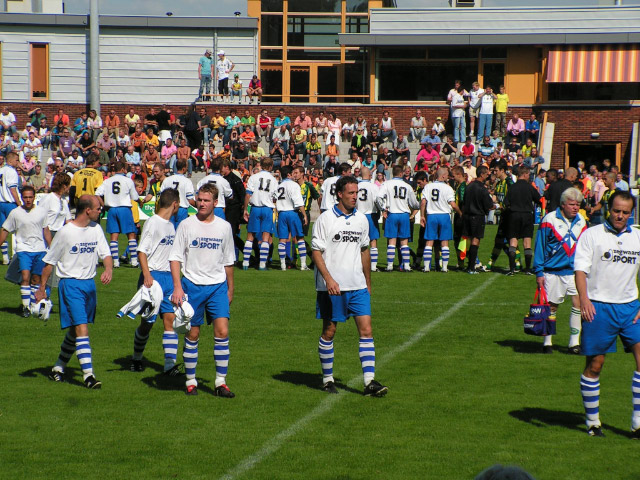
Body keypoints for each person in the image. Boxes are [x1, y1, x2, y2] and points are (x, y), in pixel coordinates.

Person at [311, 175, 388, 397]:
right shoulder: (326, 219)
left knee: (366, 330)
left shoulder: (362, 220)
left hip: (357, 286)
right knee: (329, 331)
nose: (355, 197)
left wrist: (368, 281)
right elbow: (316, 251)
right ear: (340, 194)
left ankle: (369, 381)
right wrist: (328, 279)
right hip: (332, 287)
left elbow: (365, 250)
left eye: (357, 193)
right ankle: (327, 379)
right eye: (351, 193)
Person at [574, 190, 640, 437]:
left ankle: (638, 421)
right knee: (595, 364)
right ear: (608, 209)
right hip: (599, 307)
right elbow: (580, 270)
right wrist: (584, 300)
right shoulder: (592, 235)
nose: (620, 216)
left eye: (625, 212)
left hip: (631, 308)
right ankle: (593, 422)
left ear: (631, 213)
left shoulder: (638, 237)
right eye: (616, 211)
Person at [37, 195, 112, 389]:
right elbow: (49, 262)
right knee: (82, 329)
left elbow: (106, 254)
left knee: (74, 330)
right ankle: (89, 376)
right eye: (98, 209)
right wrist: (42, 288)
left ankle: (58, 367)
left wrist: (109, 269)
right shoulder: (65, 233)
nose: (100, 211)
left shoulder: (96, 229)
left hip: (89, 285)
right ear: (88, 210)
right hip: (71, 285)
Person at [169, 183, 235, 397]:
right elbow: (175, 258)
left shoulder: (224, 227)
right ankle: (190, 381)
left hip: (217, 286)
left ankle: (220, 383)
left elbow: (228, 262)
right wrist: (177, 287)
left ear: (216, 203)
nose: (202, 204)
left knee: (222, 332)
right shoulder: (186, 225)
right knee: (193, 335)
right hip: (191, 286)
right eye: (200, 199)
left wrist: (230, 289)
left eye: (207, 200)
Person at [127, 188, 182, 374]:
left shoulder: (171, 225)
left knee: (170, 320)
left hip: (168, 277)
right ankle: (136, 358)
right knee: (147, 323)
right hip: (153, 277)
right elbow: (141, 251)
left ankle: (169, 366)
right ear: (174, 204)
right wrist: (147, 275)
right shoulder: (153, 222)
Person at [533, 187, 586, 354]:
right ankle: (547, 342)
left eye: (578, 204)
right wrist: (539, 271)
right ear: (563, 205)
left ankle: (574, 343)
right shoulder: (549, 220)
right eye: (572, 204)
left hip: (575, 271)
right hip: (552, 271)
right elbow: (540, 246)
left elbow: (586, 246)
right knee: (552, 306)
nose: (575, 207)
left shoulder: (582, 221)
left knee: (578, 304)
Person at [0, 185, 52, 317]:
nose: (28, 200)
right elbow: (5, 230)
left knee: (36, 279)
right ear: (21, 198)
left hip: (40, 249)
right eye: (25, 197)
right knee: (25, 276)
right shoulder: (15, 213)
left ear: (34, 197)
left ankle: (34, 304)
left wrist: (52, 247)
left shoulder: (41, 212)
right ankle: (25, 307)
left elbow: (46, 230)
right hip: (23, 250)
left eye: (30, 197)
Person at [95, 161, 140, 269]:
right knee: (131, 234)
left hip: (112, 209)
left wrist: (104, 205)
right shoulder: (128, 181)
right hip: (124, 208)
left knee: (114, 237)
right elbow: (134, 197)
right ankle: (134, 261)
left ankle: (115, 262)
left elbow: (97, 193)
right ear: (124, 169)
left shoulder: (108, 181)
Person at [377, 164, 420, 271]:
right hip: (404, 214)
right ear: (401, 174)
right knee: (404, 242)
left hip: (392, 213)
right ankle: (406, 266)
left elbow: (378, 197)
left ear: (393, 173)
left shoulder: (387, 184)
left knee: (391, 241)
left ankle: (390, 266)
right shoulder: (407, 186)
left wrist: (383, 209)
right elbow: (414, 204)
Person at [420, 167, 462, 273]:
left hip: (432, 215)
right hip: (444, 216)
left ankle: (426, 267)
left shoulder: (428, 186)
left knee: (429, 242)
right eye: (447, 175)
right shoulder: (448, 188)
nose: (448, 177)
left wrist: (422, 216)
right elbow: (452, 204)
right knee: (444, 242)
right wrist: (460, 212)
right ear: (443, 176)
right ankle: (444, 267)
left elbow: (423, 202)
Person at [504, 165, 542, 275]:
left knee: (513, 241)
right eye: (529, 174)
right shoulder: (530, 187)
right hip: (527, 215)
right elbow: (539, 200)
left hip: (514, 215)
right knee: (527, 242)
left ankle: (512, 269)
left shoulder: (512, 187)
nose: (529, 177)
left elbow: (506, 203)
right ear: (524, 174)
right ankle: (528, 269)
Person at [242, 157, 277, 270]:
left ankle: (245, 263)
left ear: (260, 165)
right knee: (266, 237)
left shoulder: (253, 177)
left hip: (255, 208)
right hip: (267, 209)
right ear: (271, 167)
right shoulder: (274, 180)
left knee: (250, 236)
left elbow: (248, 194)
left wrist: (245, 209)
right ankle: (262, 265)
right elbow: (275, 198)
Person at [462, 165, 495, 273]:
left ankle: (468, 265)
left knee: (469, 240)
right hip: (477, 217)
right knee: (475, 241)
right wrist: (495, 206)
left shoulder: (469, 186)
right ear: (482, 174)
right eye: (486, 174)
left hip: (467, 216)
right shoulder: (482, 189)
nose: (487, 176)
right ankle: (472, 267)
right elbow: (489, 205)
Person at [275, 166, 308, 271]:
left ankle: (283, 265)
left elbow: (274, 199)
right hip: (292, 212)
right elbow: (298, 202)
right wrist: (304, 215)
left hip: (281, 213)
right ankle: (303, 265)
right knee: (300, 237)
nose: (294, 175)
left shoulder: (279, 185)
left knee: (282, 239)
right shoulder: (294, 185)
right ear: (289, 174)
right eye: (293, 173)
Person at [487, 161, 514, 271]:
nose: (494, 172)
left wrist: (498, 206)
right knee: (500, 240)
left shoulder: (509, 183)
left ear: (502, 170)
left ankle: (516, 263)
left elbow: (511, 200)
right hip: (503, 216)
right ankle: (491, 264)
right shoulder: (499, 183)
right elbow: (497, 198)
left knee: (510, 241)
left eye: (496, 170)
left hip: (509, 216)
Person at [0, 152, 22, 264]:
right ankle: (16, 255)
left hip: (0, 203)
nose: (18, 162)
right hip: (10, 203)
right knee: (18, 230)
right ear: (10, 161)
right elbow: (13, 189)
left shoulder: (1, 170)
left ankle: (5, 257)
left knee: (3, 230)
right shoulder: (12, 172)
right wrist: (19, 204)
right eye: (16, 160)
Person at [357, 167, 380, 272]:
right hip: (371, 215)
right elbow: (378, 201)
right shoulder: (374, 187)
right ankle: (373, 267)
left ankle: (358, 265)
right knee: (373, 240)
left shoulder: (356, 186)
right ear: (369, 175)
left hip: (358, 215)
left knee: (357, 241)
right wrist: (382, 210)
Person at [160, 159, 195, 227]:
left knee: (169, 230)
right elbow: (190, 199)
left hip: (169, 208)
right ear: (184, 168)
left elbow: (161, 195)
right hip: (182, 209)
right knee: (181, 232)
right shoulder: (187, 181)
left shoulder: (167, 180)